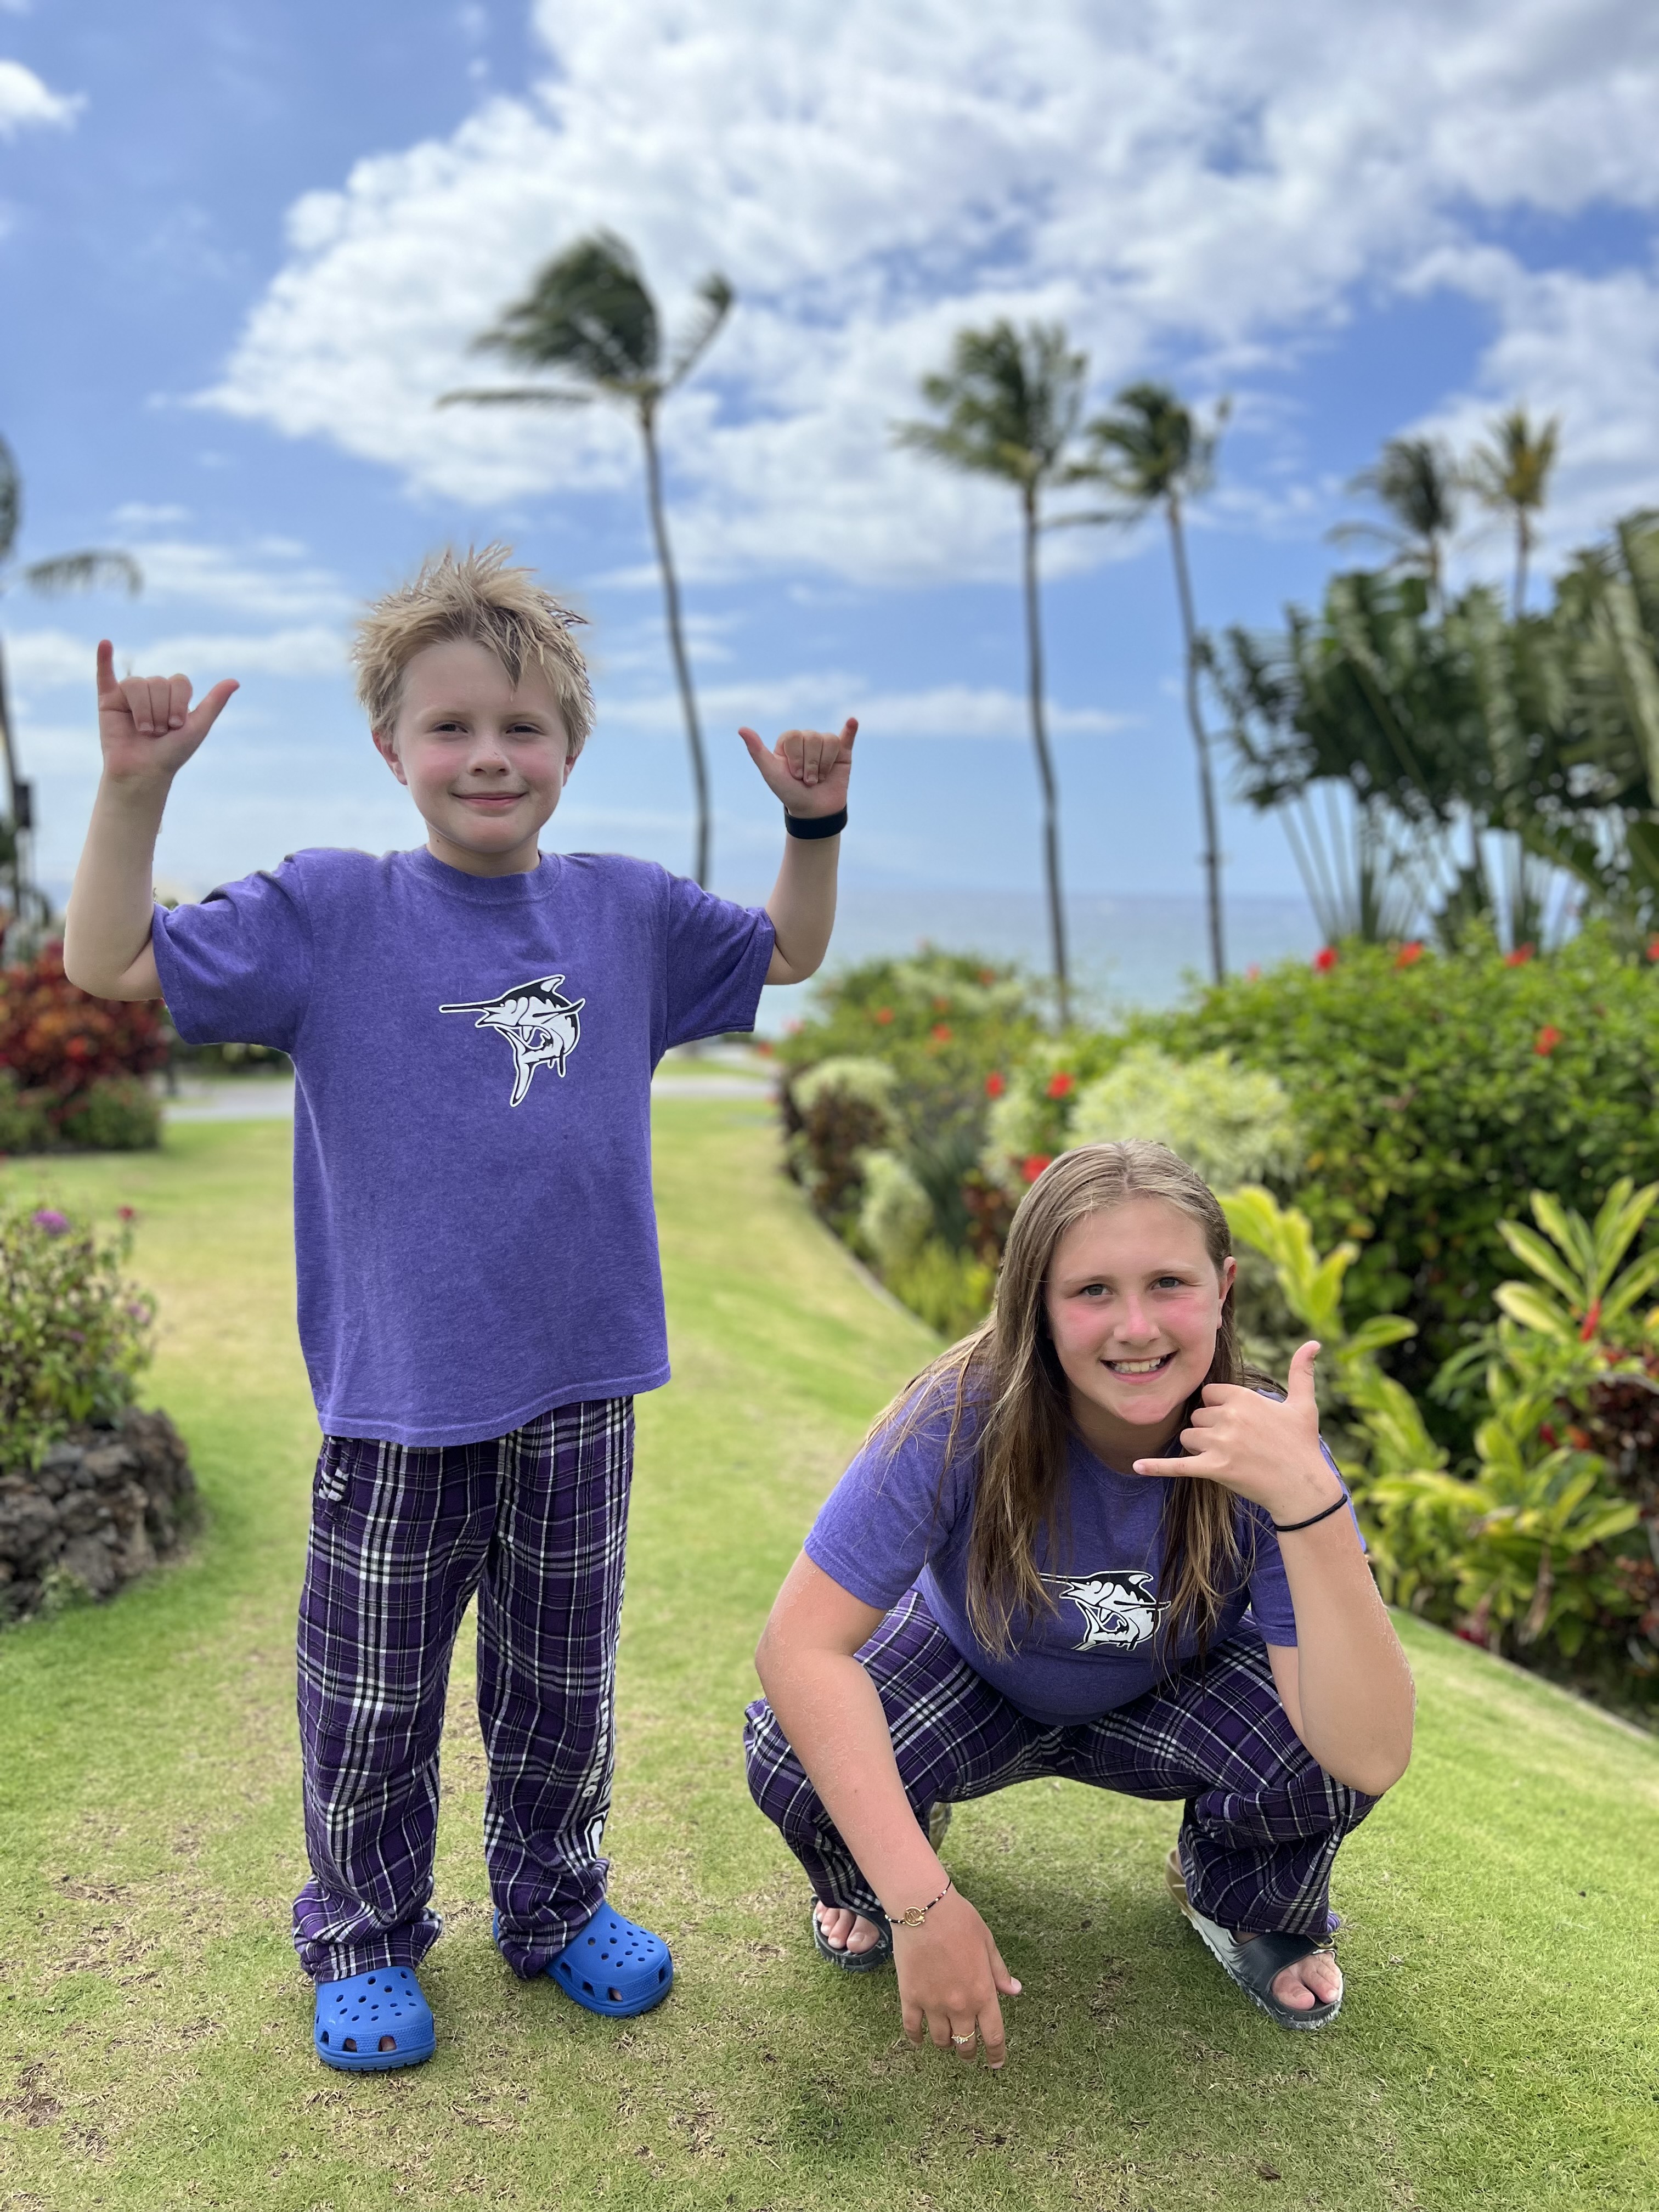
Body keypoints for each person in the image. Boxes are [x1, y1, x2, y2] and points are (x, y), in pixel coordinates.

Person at [63, 544, 858, 2072]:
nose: (488, 754)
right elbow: (106, 960)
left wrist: (810, 823)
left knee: (562, 1684)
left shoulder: (626, 913)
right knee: (372, 1700)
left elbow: (794, 948)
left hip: (581, 1389)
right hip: (398, 1401)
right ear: (392, 749)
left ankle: (554, 1907)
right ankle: (363, 1935)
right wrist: (132, 794)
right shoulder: (324, 913)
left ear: (570, 748)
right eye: (450, 727)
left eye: (523, 727)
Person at [744, 1141, 1414, 2068]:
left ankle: (1235, 1893)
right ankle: (884, 1860)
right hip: (974, 1674)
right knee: (796, 1749)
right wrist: (919, 1901)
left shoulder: (1270, 1450)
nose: (1135, 1327)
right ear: (1036, 1303)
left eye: (1169, 1283)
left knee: (1324, 1744)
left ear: (1223, 1287)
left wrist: (1312, 1501)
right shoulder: (955, 1419)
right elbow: (797, 1650)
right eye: (1092, 1290)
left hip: (1169, 1689)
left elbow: (1371, 1751)